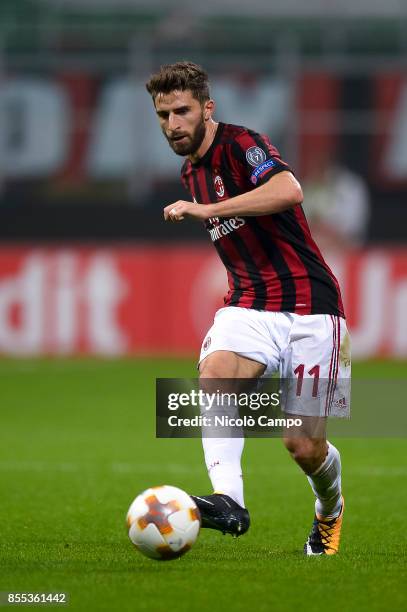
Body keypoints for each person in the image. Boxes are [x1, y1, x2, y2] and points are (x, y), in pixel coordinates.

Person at [146, 61, 351, 556]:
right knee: (214, 377)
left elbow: (290, 190)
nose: (173, 123)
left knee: (302, 446)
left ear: (207, 108)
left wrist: (208, 210)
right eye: (163, 114)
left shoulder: (241, 145)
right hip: (249, 306)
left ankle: (330, 509)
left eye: (182, 111)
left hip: (311, 306)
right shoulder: (189, 171)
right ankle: (229, 502)